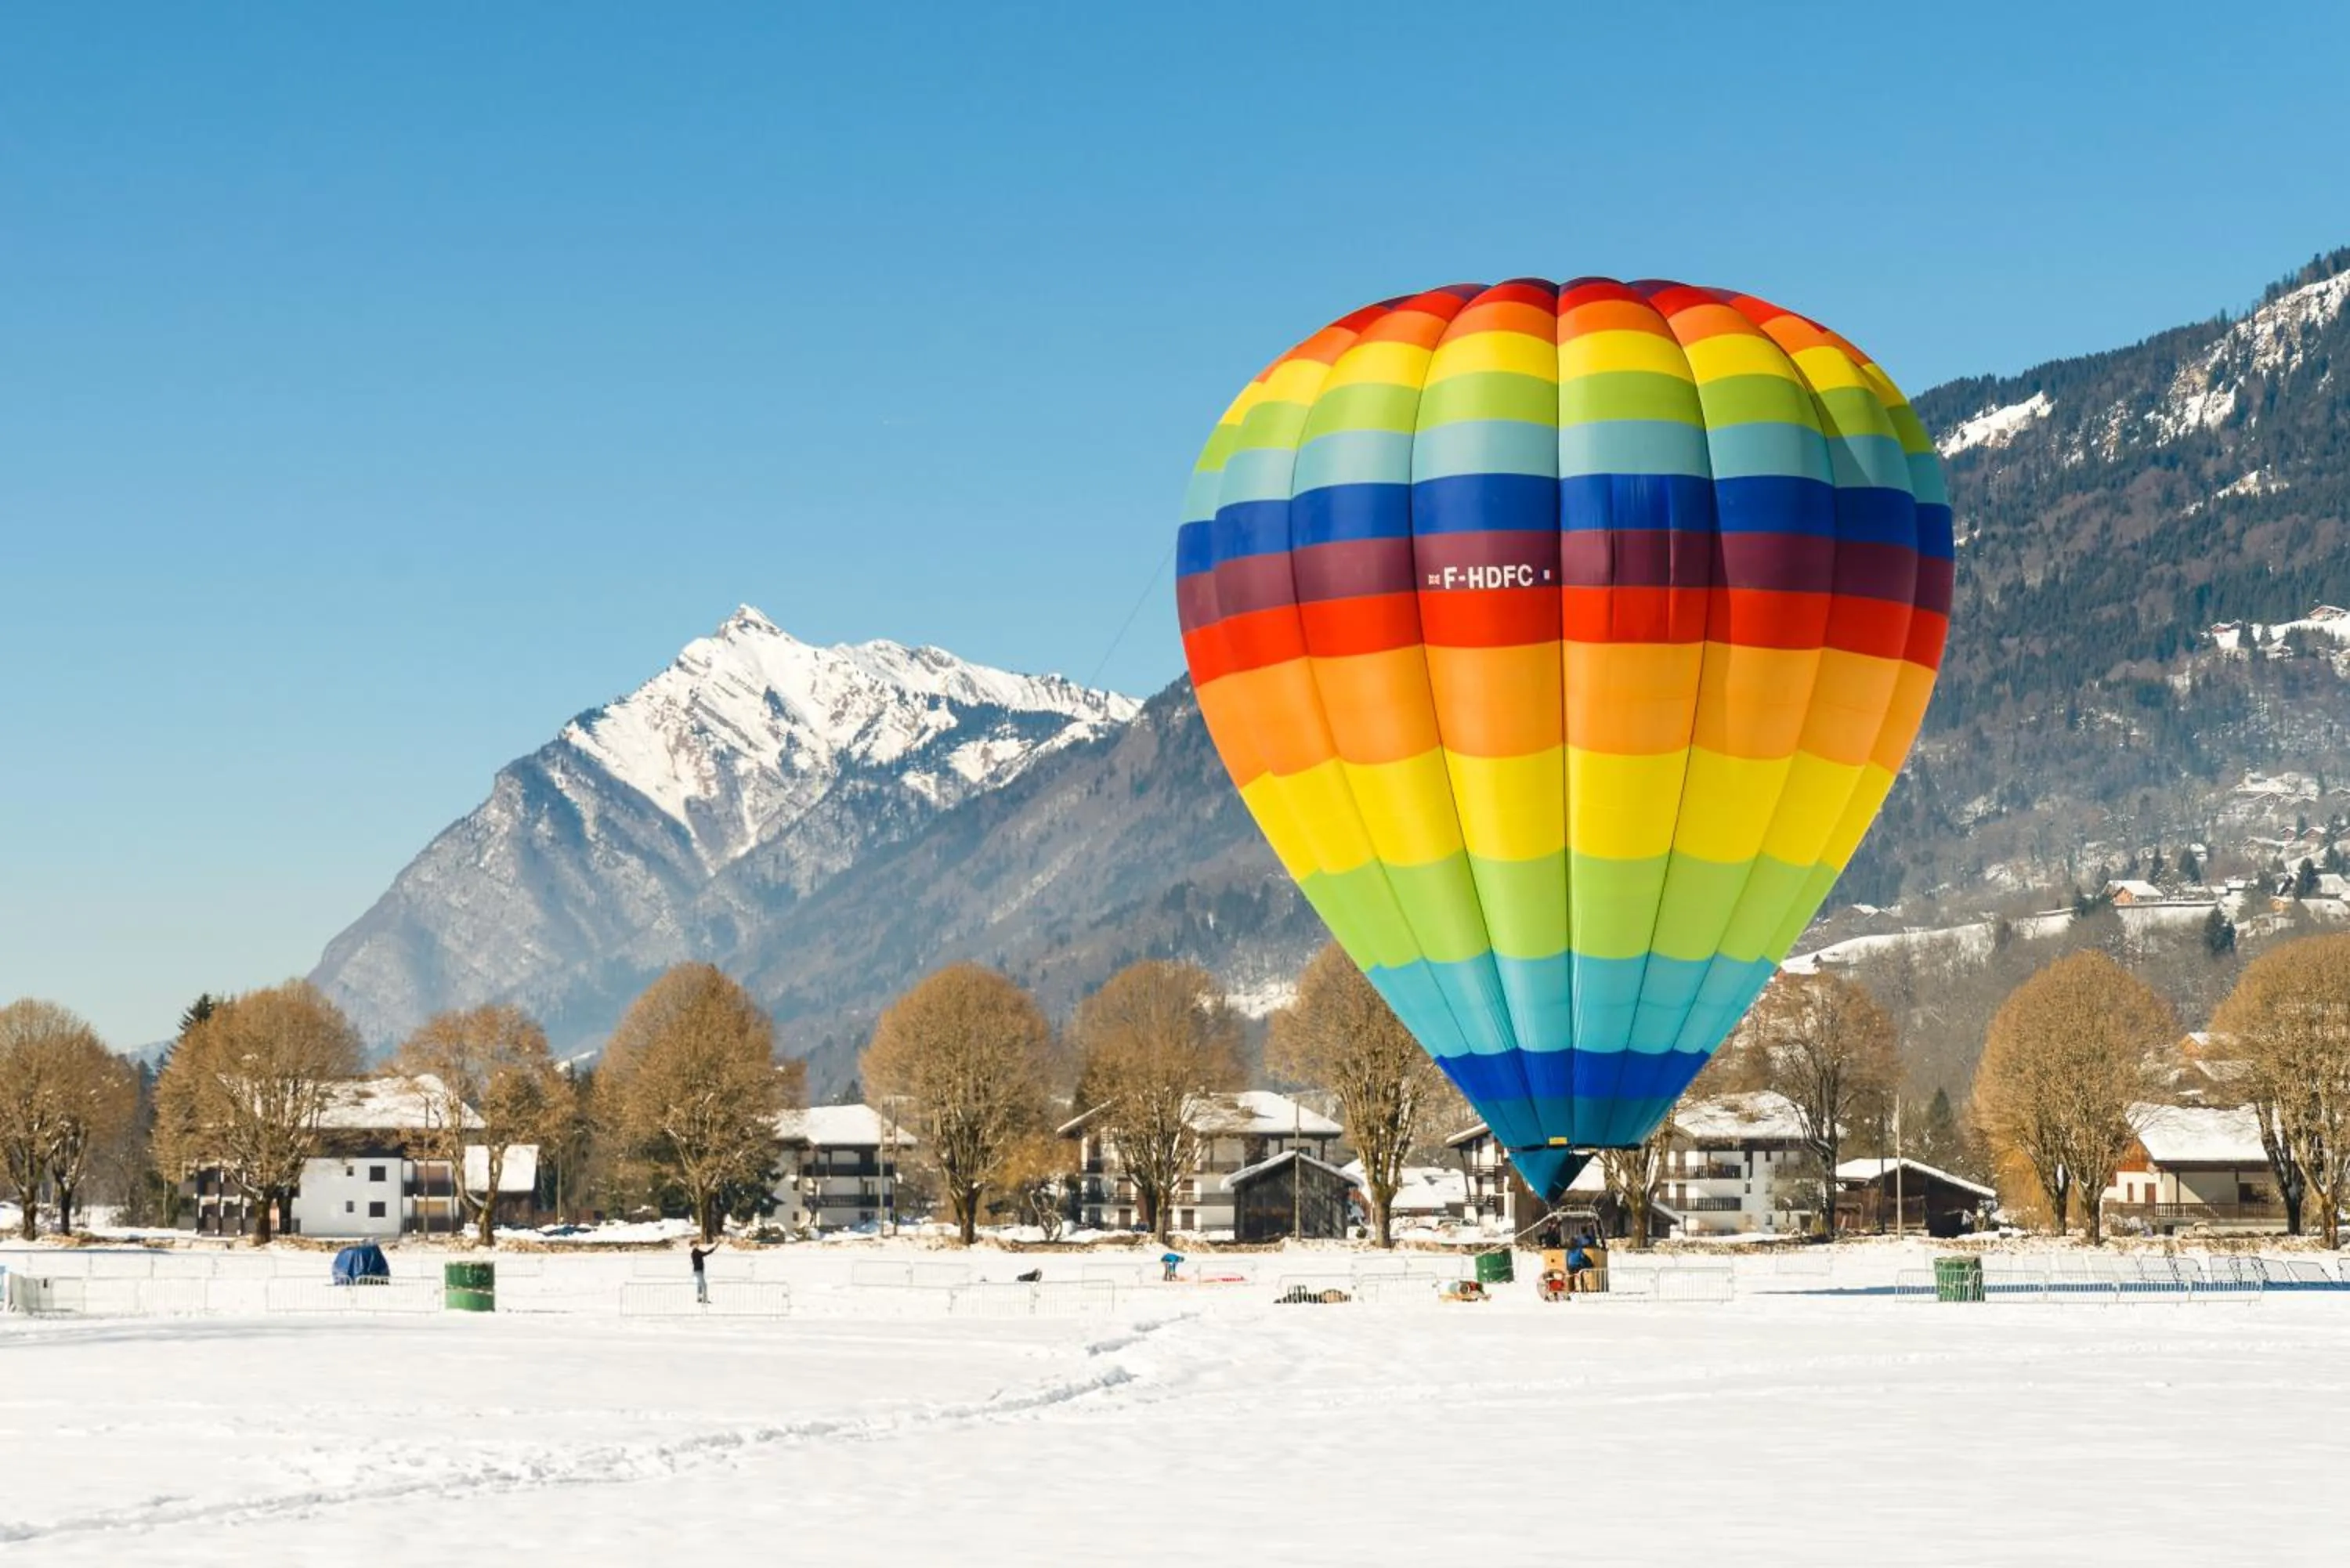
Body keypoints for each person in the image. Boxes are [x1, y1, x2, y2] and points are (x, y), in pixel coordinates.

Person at [689, 1239, 716, 1305]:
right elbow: (706, 1253)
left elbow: (705, 1253)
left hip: (698, 1270)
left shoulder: (695, 1251)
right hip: (698, 1271)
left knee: (700, 1285)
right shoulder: (696, 1252)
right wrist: (713, 1249)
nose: (697, 1244)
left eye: (697, 1243)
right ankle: (704, 1299)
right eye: (696, 1244)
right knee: (704, 1285)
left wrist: (713, 1249)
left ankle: (699, 1298)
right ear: (693, 1245)